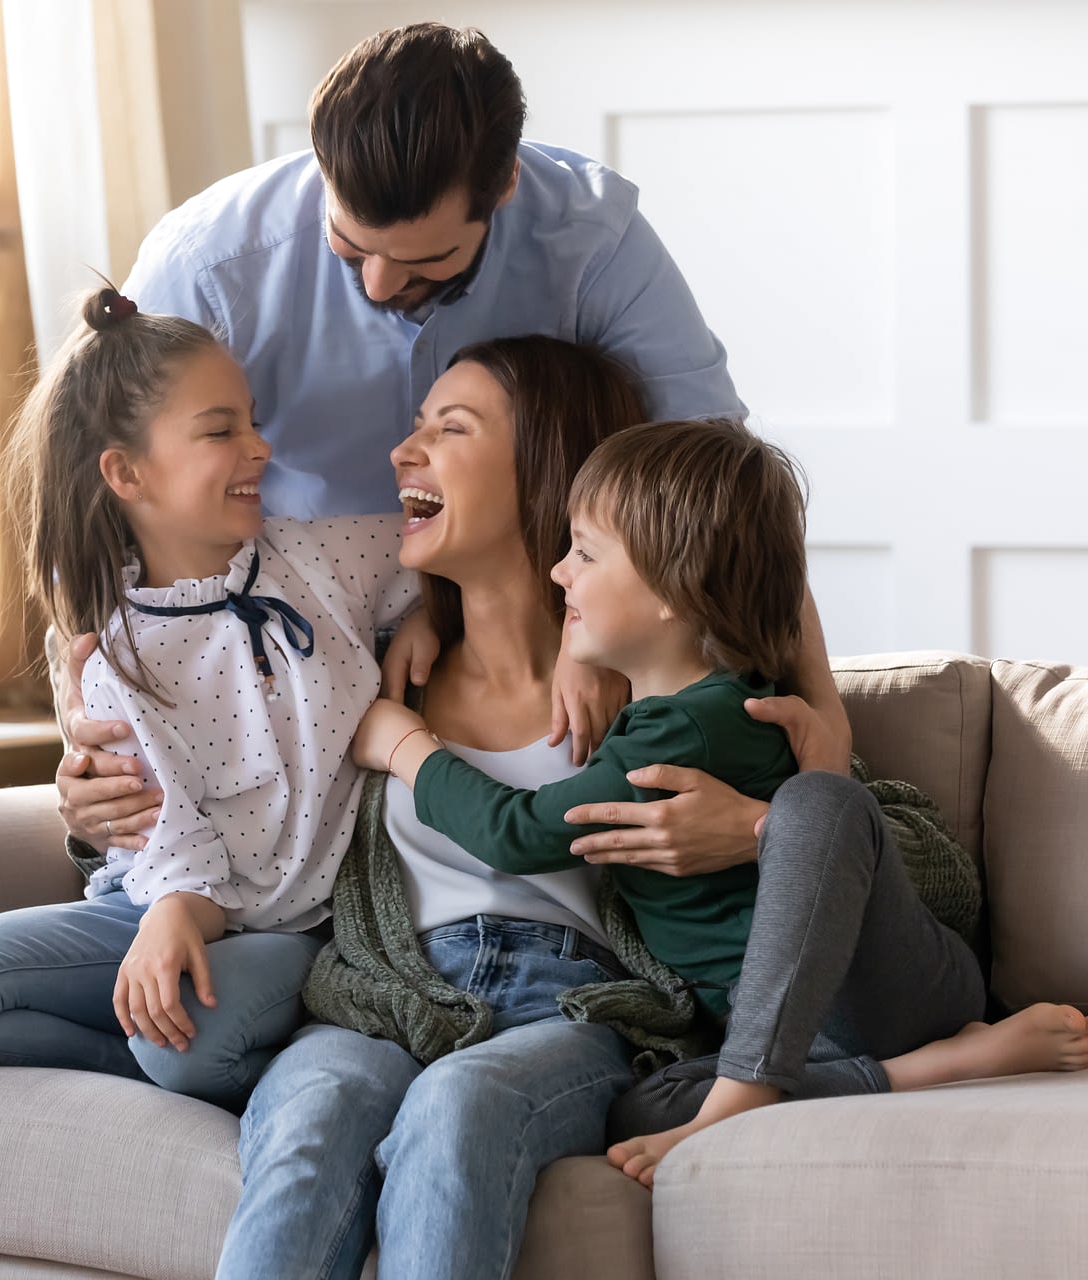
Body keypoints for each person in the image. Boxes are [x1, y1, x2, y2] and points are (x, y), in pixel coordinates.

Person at [58, 20, 853, 858]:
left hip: (532, 620)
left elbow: (724, 494)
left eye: (425, 263)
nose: (378, 283)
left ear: (502, 186)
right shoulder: (210, 263)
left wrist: (819, 722)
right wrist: (86, 722)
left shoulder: (595, 245)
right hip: (280, 655)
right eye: (350, 246)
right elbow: (101, 506)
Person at [355, 419, 1088, 1188]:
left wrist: (407, 747)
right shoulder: (659, 719)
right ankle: (910, 1072)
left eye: (584, 552)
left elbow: (516, 834)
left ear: (675, 594)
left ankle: (753, 1091)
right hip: (783, 1031)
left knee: (820, 803)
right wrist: (435, 616)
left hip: (880, 986)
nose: (557, 573)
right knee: (640, 1106)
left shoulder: (703, 719)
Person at [0, 287, 423, 1109]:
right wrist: (169, 919)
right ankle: (151, 1066)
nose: (260, 448)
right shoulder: (108, 649)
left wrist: (434, 612)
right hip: (157, 906)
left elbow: (445, 544)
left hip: (288, 931)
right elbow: (163, 836)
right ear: (126, 473)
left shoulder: (322, 559)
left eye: (252, 421)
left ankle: (200, 1054)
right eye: (220, 430)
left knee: (191, 1045)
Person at [214, 335, 682, 1280]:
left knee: (463, 1102)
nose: (403, 450)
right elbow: (211, 751)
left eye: (450, 428)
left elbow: (834, 817)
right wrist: (95, 799)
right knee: (310, 1117)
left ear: (545, 467)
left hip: (572, 1007)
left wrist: (765, 814)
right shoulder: (368, 661)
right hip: (387, 993)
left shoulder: (652, 670)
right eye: (418, 423)